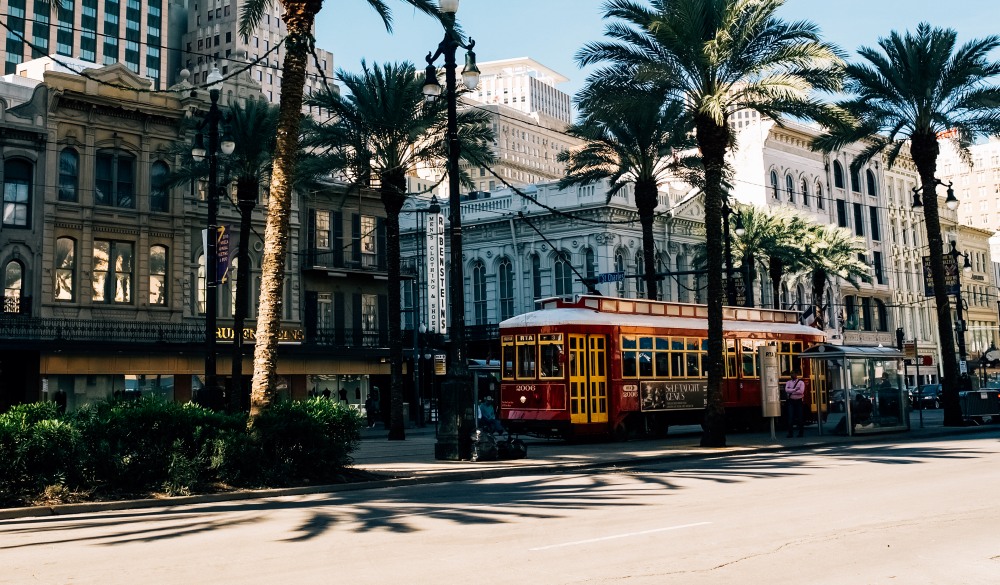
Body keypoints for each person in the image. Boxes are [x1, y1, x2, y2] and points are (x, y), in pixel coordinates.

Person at [785, 370, 805, 438]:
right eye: (791, 374)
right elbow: (786, 390)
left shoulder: (801, 382)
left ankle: (801, 433)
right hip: (791, 401)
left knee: (800, 417)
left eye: (793, 374)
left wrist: (791, 390)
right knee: (790, 418)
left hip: (799, 401)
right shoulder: (788, 382)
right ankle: (790, 433)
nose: (792, 375)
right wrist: (795, 390)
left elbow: (801, 391)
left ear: (796, 374)